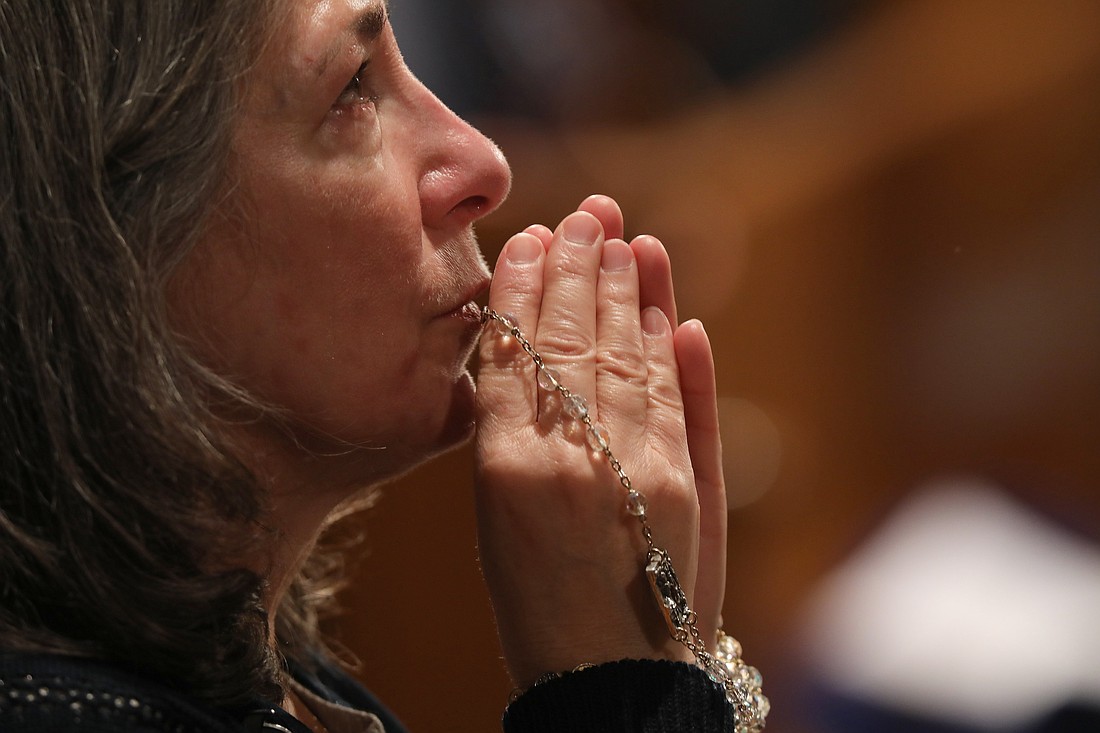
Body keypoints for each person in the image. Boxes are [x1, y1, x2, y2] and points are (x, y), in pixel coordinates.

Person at [0, 1, 760, 731]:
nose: (482, 163)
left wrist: (678, 653)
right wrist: (617, 685)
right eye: (353, 90)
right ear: (116, 241)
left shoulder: (250, 661)